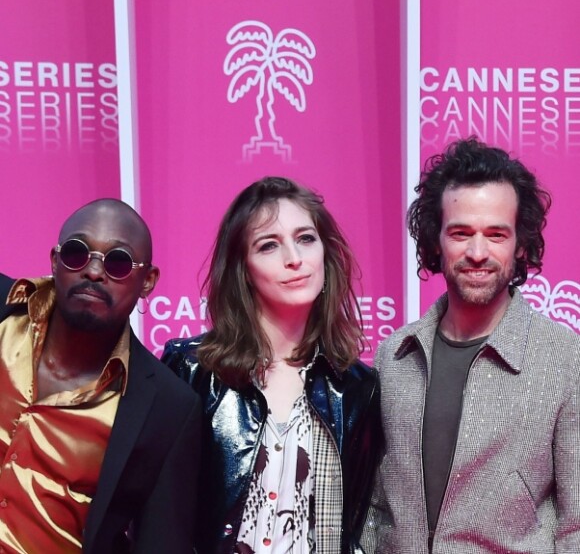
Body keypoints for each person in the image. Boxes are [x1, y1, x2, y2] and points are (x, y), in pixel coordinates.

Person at [366, 137, 580, 553]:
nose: (477, 252)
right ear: (435, 241)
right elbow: (375, 506)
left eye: (496, 234)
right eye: (461, 233)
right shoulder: (393, 356)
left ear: (520, 245)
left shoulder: (565, 359)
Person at [162, 176, 383, 553]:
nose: (294, 258)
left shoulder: (358, 388)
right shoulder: (192, 370)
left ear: (325, 255)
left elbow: (360, 525)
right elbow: (159, 514)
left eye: (306, 239)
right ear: (243, 269)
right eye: (268, 245)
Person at [0, 199, 202, 553]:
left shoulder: (168, 410)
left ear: (147, 281)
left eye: (118, 262)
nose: (93, 272)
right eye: (77, 253)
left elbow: (161, 542)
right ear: (55, 260)